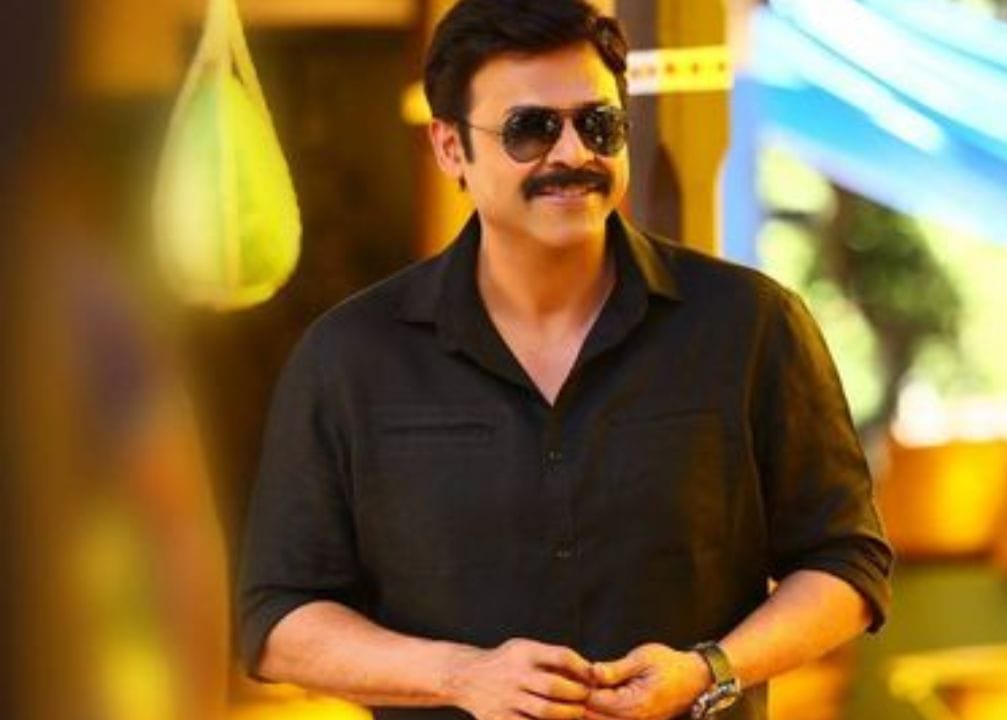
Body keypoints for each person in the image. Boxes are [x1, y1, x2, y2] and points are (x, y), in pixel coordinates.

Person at [236, 2, 892, 719]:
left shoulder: (751, 325)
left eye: (599, 124)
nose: (574, 154)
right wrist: (462, 676)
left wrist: (709, 670)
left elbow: (846, 563)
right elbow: (278, 619)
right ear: (451, 147)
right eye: (531, 128)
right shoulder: (351, 357)